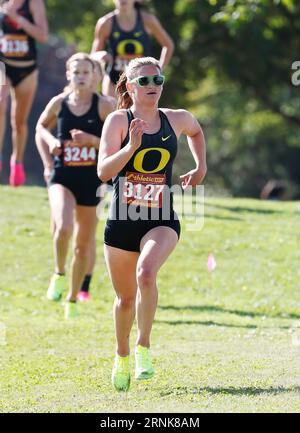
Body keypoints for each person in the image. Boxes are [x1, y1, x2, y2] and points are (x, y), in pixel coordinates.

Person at [97, 56, 207, 391]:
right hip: (122, 221)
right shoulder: (118, 121)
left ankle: (144, 346)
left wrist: (201, 167)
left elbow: (196, 130)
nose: (152, 87)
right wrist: (131, 145)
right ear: (130, 87)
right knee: (125, 299)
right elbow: (103, 172)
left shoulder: (175, 119)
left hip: (160, 219)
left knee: (146, 273)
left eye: (157, 81)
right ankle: (122, 355)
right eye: (144, 81)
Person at [36, 53, 115, 319]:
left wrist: (92, 141)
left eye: (86, 72)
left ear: (96, 76)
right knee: (64, 225)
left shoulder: (104, 107)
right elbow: (40, 127)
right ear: (68, 75)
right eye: (76, 72)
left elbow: (119, 140)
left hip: (91, 182)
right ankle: (59, 273)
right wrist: (50, 147)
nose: (81, 76)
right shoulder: (60, 103)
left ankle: (71, 299)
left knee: (83, 246)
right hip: (62, 177)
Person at [0, 0, 48, 186]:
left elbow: (42, 36)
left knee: (19, 122)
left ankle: (16, 161)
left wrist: (17, 18)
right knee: (1, 101)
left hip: (26, 69)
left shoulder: (34, 3)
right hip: (4, 64)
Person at [91, 0, 174, 97]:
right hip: (114, 81)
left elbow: (168, 45)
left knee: (141, 112)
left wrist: (159, 69)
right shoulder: (105, 23)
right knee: (112, 110)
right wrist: (102, 55)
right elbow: (93, 56)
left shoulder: (147, 20)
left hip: (143, 81)